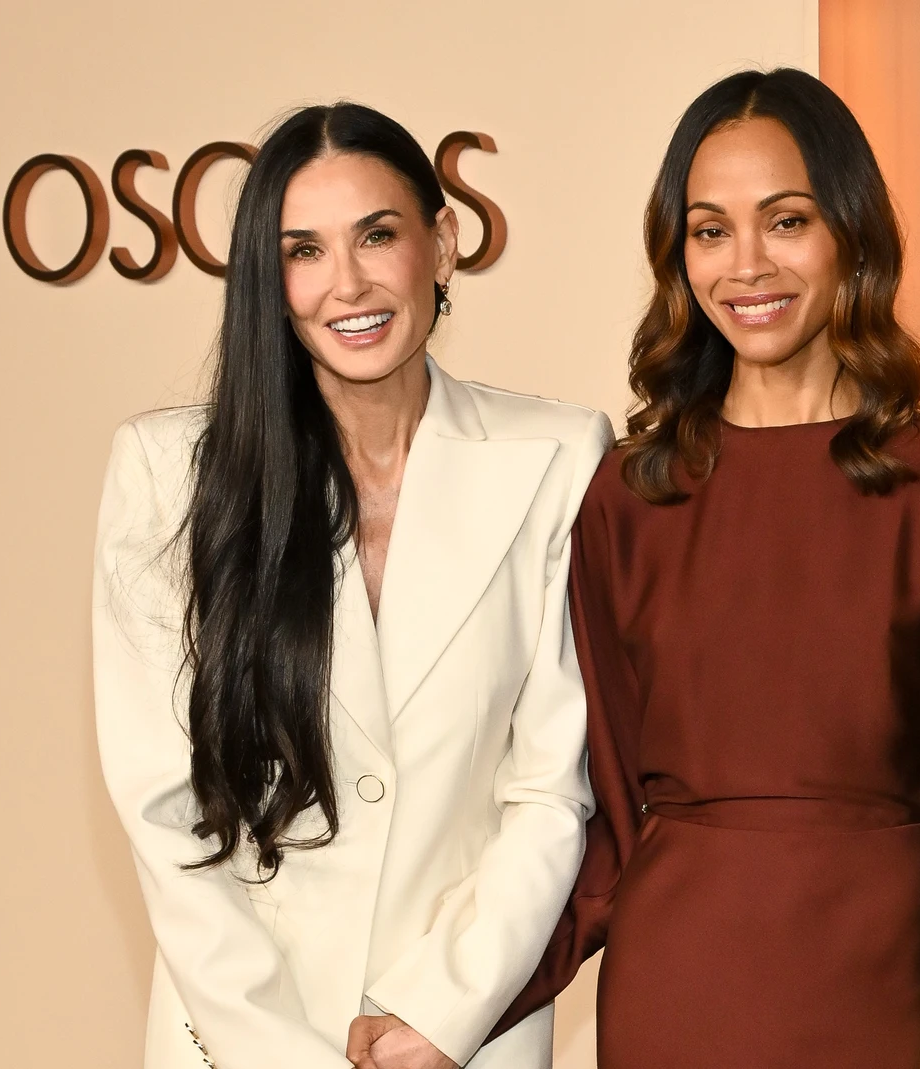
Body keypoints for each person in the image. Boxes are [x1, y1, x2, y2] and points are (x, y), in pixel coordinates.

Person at [491, 68, 920, 1068]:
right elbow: (597, 814)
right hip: (676, 991)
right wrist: (448, 1009)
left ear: (850, 233)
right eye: (709, 230)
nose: (746, 265)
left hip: (902, 981)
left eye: (785, 221)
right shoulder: (629, 495)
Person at [92, 103, 609, 1069]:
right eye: (304, 251)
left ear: (442, 245)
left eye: (378, 235)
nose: (350, 284)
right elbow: (163, 807)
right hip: (235, 1042)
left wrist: (442, 1013)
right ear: (268, 280)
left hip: (462, 1038)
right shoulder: (167, 474)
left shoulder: (560, 457)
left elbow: (550, 788)